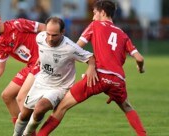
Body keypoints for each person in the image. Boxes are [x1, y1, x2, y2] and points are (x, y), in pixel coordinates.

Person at [37, 0, 147, 136]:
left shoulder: (95, 25)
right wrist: (140, 68)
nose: (93, 16)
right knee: (127, 107)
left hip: (98, 76)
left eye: (94, 13)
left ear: (102, 12)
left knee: (62, 107)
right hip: (118, 80)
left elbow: (75, 48)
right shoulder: (123, 34)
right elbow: (140, 59)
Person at [13, 17, 97, 136]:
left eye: (54, 35)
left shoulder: (70, 47)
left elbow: (90, 57)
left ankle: (26, 134)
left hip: (59, 87)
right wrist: (40, 58)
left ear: (62, 32)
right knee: (25, 114)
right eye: (48, 34)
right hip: (41, 80)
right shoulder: (40, 38)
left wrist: (91, 68)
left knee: (39, 108)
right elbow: (43, 49)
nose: (50, 38)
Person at [0, 4, 45, 125]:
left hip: (42, 62)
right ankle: (21, 130)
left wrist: (46, 52)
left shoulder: (17, 24)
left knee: (21, 97)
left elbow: (44, 28)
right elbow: (0, 68)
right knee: (7, 96)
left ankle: (29, 132)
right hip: (31, 66)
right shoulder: (1, 42)